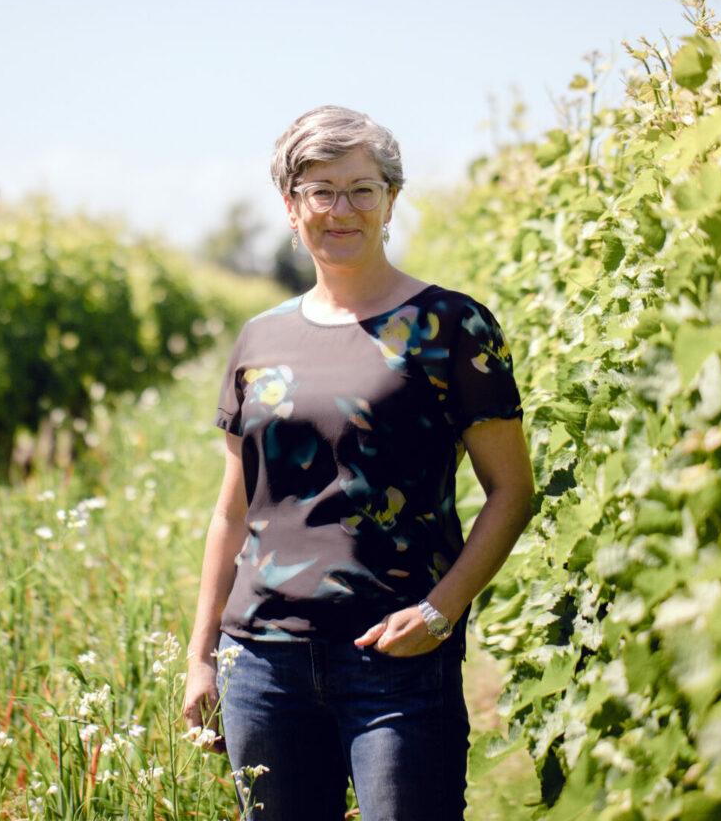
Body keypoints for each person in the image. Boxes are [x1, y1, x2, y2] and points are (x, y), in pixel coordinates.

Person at [183, 106, 535, 820]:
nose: (341, 209)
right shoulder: (260, 339)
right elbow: (233, 509)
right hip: (262, 663)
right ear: (291, 206)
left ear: (391, 201)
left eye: (362, 189)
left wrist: (442, 612)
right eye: (320, 190)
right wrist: (201, 654)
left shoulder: (454, 326)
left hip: (398, 664)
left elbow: (511, 492)